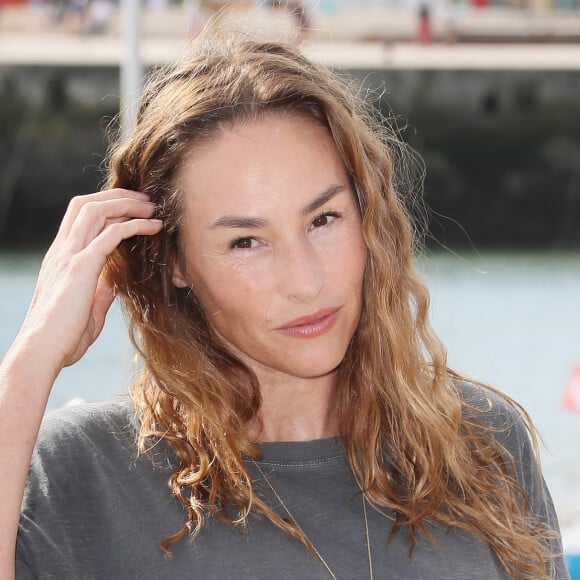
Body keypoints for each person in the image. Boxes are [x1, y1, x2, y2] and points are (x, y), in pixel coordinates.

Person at [0, 25, 569, 580]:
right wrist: (30, 362)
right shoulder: (84, 474)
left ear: (368, 215)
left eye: (324, 219)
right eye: (246, 241)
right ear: (174, 261)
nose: (305, 281)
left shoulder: (482, 444)